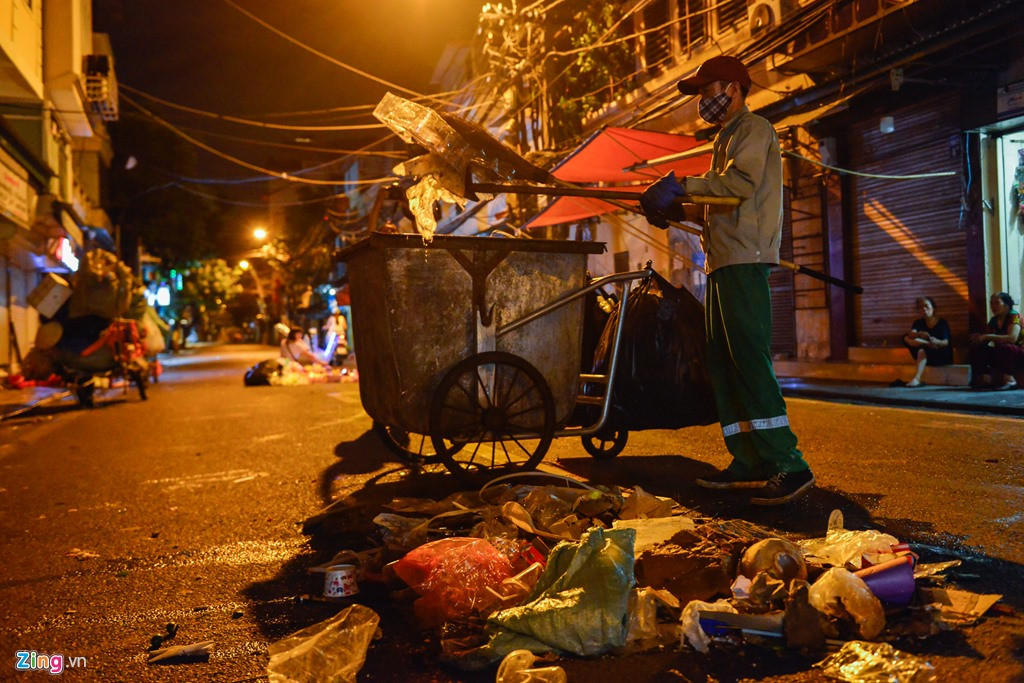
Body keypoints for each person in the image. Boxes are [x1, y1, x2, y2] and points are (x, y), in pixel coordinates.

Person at [639, 55, 814, 505]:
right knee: (723, 362)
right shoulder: (725, 138)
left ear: (733, 88)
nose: (703, 99)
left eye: (707, 89)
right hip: (721, 262)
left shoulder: (754, 129)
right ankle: (749, 459)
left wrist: (683, 186)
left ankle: (788, 463)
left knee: (748, 360)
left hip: (744, 261)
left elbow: (737, 185)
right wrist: (676, 209)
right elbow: (719, 205)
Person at [967, 292, 1023, 390]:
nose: (993, 306)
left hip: (1019, 353)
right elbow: (985, 339)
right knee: (977, 348)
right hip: (1004, 353)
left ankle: (1010, 380)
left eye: (997, 303)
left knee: (1005, 348)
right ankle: (985, 379)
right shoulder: (993, 321)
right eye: (991, 303)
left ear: (1006, 305)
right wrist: (978, 338)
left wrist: (987, 336)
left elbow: (1012, 338)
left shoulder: (1014, 316)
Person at [901, 296, 952, 387]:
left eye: (926, 306)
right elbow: (911, 334)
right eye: (920, 307)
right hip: (926, 351)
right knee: (905, 337)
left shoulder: (942, 323)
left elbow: (946, 342)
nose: (924, 309)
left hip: (940, 355)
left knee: (922, 350)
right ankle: (926, 343)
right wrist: (920, 334)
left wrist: (937, 341)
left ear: (933, 308)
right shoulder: (918, 323)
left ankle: (917, 379)